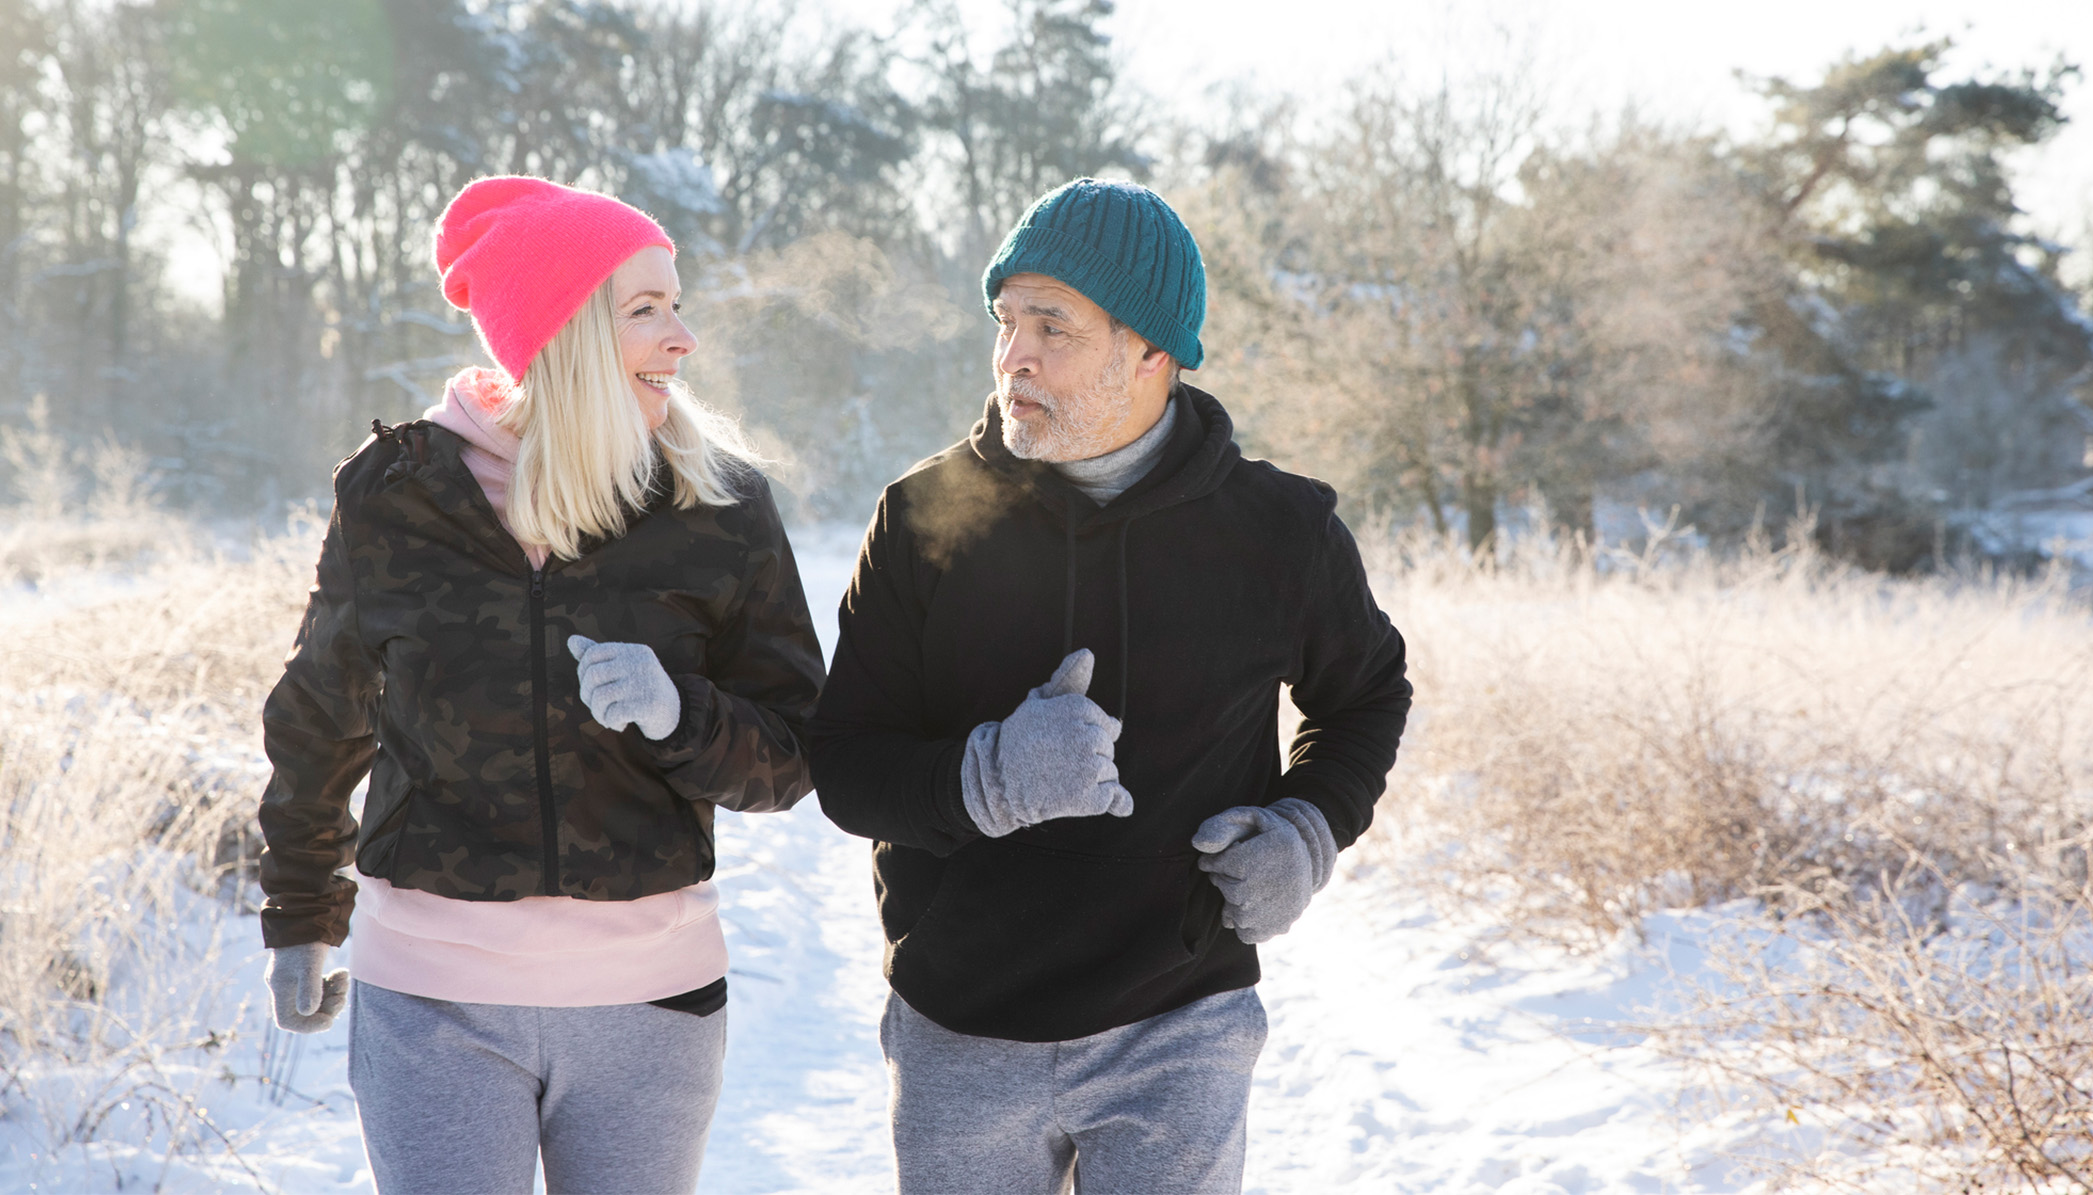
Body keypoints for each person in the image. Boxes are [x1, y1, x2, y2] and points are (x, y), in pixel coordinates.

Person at [808, 178, 1411, 1194]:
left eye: (1055, 326)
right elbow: (845, 765)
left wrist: (1308, 827)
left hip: (1182, 1021)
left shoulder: (1277, 532)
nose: (1015, 357)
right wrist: (984, 779)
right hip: (962, 1024)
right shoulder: (922, 519)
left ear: (1152, 353)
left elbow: (1366, 696)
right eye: (1007, 322)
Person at [255, 176, 825, 1195]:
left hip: (650, 1008)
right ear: (560, 334)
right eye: (645, 309)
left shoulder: (718, 506)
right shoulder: (395, 497)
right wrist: (302, 909)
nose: (683, 337)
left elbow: (796, 753)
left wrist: (676, 714)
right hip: (433, 1004)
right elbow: (318, 715)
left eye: (678, 304)